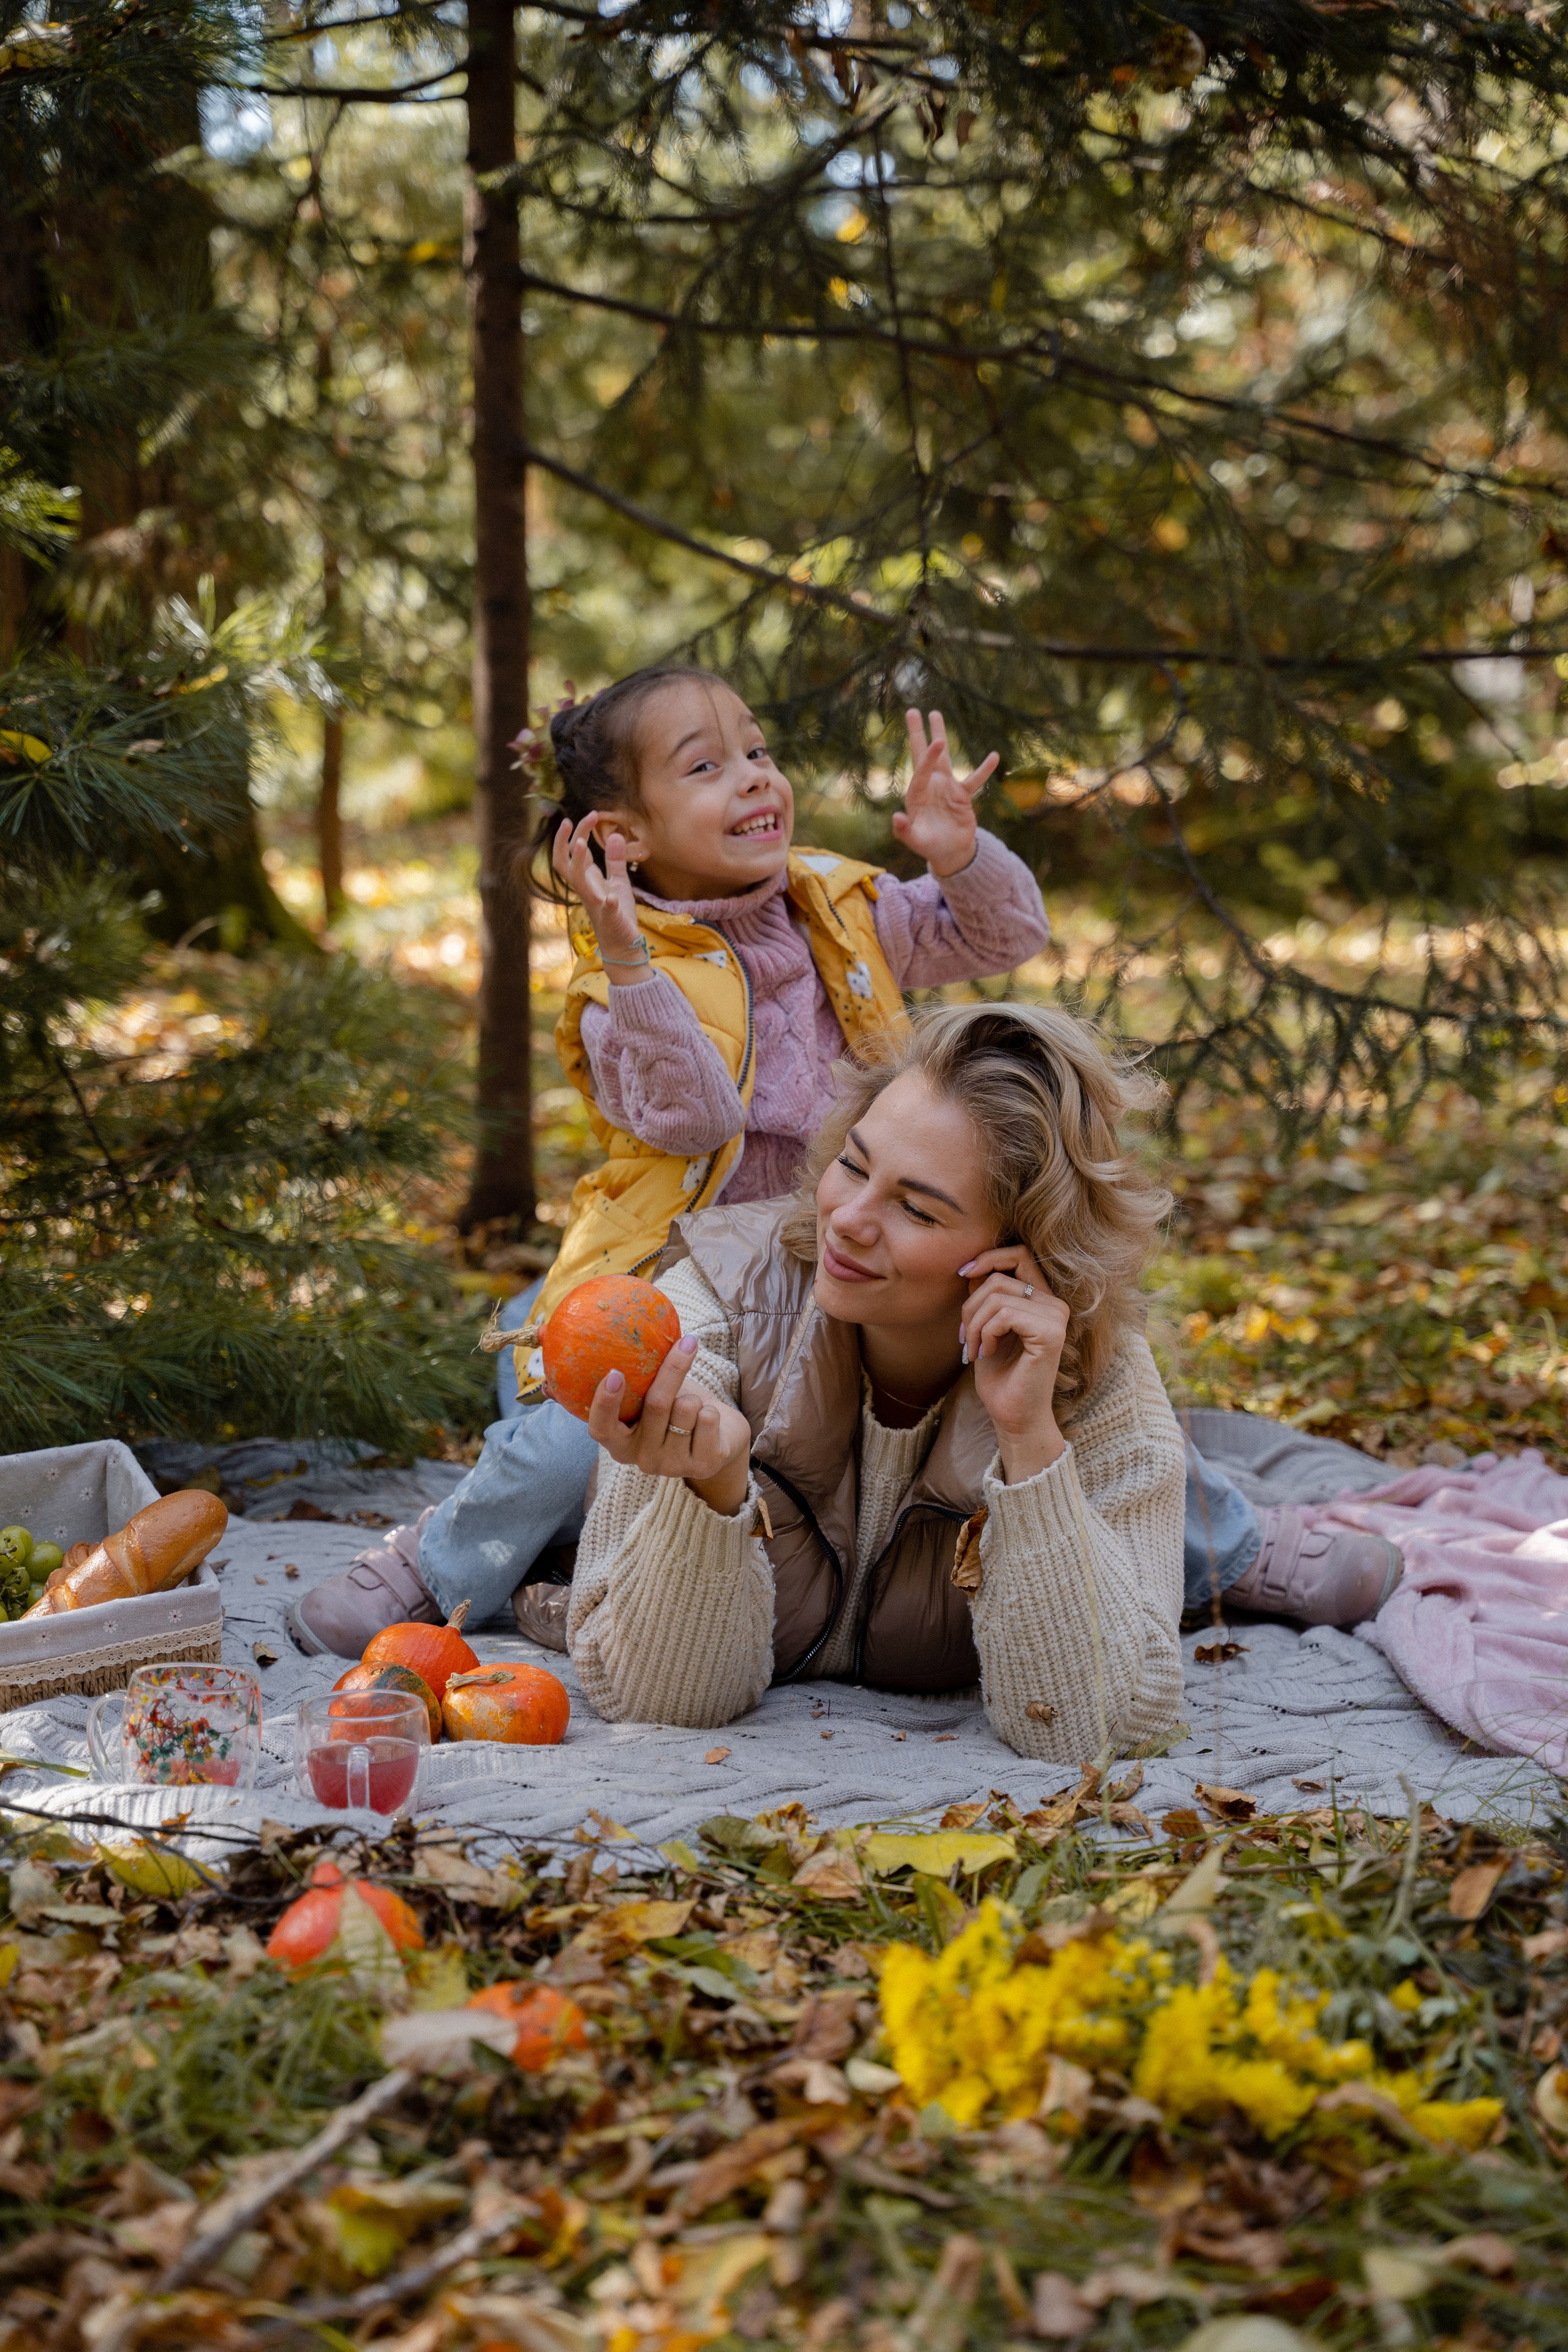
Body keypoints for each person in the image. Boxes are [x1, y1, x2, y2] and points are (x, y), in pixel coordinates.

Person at [288, 667, 1397, 1662]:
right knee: (572, 1441)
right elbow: (690, 1117)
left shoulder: (837, 903)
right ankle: (435, 1567)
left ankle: (1233, 1551)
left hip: (871, 1260)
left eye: (758, 750)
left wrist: (959, 855)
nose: (755, 778)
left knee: (1053, 1389)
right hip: (709, 1289)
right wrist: (628, 957)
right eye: (707, 765)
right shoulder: (609, 986)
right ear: (620, 838)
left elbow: (997, 941)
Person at [568, 1001, 1186, 1758]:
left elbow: (1094, 1726)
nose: (849, 1220)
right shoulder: (713, 1305)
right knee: (541, 1459)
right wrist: (714, 1491)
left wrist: (1029, 1442)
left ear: (1021, 1253)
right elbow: (655, 1699)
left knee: (1204, 1519)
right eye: (853, 1166)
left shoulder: (1091, 1366)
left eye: (917, 1210)